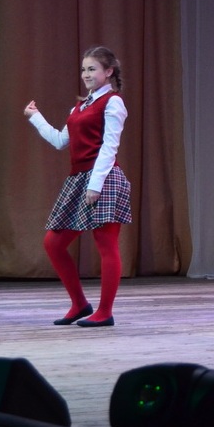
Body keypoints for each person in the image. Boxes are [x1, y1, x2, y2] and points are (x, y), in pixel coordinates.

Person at [24, 46, 132, 327]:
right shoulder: (79, 107)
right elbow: (61, 141)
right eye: (84, 69)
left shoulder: (113, 102)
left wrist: (95, 185)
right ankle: (80, 303)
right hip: (78, 178)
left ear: (108, 72)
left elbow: (109, 146)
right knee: (54, 243)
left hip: (103, 177)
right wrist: (36, 117)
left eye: (92, 69)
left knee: (106, 243)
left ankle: (105, 312)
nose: (86, 74)